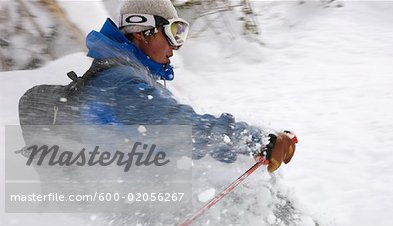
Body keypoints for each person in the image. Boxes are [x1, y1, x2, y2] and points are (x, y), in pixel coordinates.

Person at [80, 0, 296, 172]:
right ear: (141, 31)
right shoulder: (122, 82)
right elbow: (179, 128)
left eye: (180, 34)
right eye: (173, 32)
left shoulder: (120, 75)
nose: (175, 46)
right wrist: (257, 141)